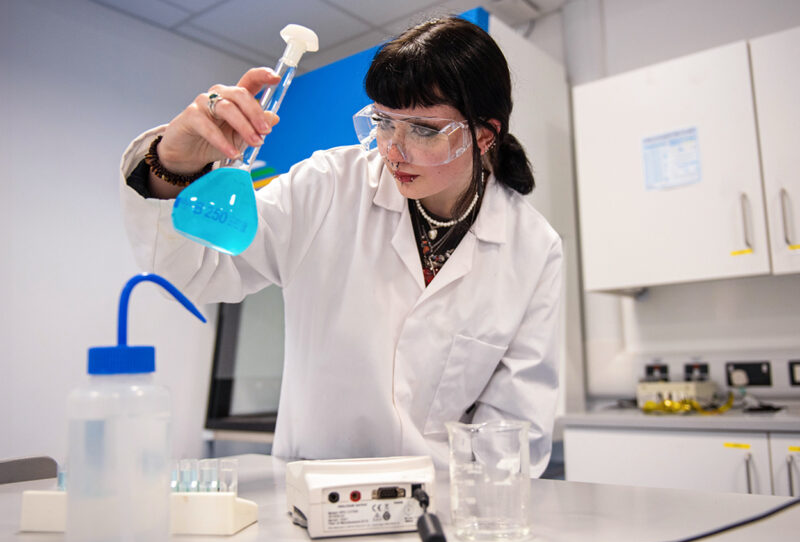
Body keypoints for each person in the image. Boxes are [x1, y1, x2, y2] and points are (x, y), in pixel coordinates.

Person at [121, 16, 563, 475]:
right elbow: (190, 271)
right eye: (383, 123)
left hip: (439, 512)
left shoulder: (533, 249)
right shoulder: (328, 186)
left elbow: (514, 433)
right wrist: (169, 165)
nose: (394, 150)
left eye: (423, 130)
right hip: (311, 502)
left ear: (484, 134)